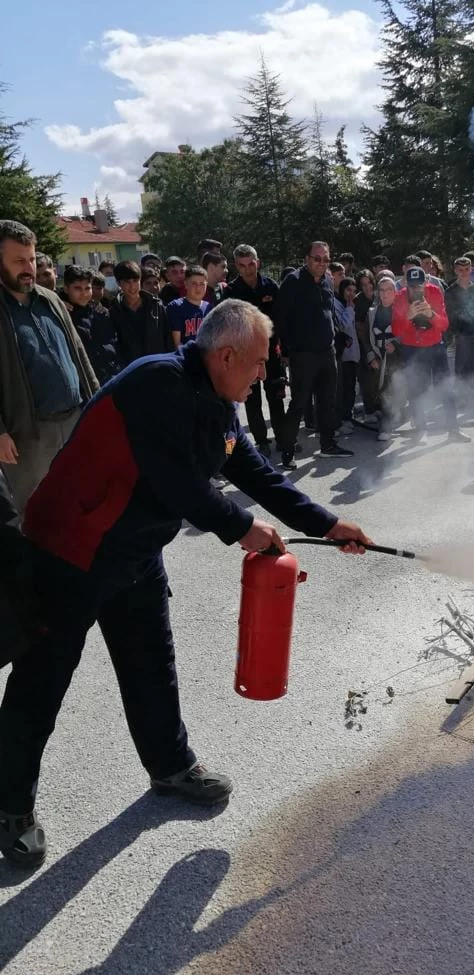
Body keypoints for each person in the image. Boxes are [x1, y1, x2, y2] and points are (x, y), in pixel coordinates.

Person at [0, 298, 371, 869]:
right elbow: (178, 484)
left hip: (135, 547)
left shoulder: (220, 399)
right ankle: (9, 808)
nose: (263, 374)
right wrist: (242, 527)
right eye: (256, 363)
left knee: (151, 660)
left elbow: (251, 470)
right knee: (42, 682)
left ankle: (170, 767)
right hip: (73, 547)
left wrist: (326, 523)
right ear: (224, 355)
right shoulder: (159, 385)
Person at [0, 220, 99, 518]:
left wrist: (97, 403)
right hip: (28, 437)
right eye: (19, 261)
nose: (28, 267)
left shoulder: (52, 300)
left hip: (75, 421)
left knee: (82, 502)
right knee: (38, 515)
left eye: (31, 258)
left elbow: (79, 357)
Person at [276, 241, 353, 469]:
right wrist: (286, 351)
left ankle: (328, 445)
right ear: (307, 259)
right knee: (299, 403)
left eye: (325, 259)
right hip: (303, 354)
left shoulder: (327, 282)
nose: (321, 263)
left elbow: (329, 314)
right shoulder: (293, 282)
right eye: (317, 258)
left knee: (328, 401)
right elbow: (280, 318)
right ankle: (287, 451)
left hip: (327, 352)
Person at [391, 266, 469, 444]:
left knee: (447, 388)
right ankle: (420, 430)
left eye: (419, 286)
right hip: (412, 348)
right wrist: (407, 317)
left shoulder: (434, 292)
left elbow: (444, 325)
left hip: (435, 346)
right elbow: (396, 330)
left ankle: (453, 430)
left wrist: (430, 314)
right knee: (416, 390)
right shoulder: (400, 297)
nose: (416, 290)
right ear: (406, 284)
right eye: (412, 286)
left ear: (425, 283)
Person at [226, 244, 286, 457]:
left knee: (276, 397)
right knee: (252, 400)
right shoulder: (231, 292)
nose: (248, 269)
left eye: (251, 264)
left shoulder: (270, 286)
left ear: (257, 262)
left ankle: (282, 439)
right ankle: (261, 441)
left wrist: (284, 349)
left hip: (271, 353)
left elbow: (281, 319)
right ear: (237, 266)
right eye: (242, 266)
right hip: (246, 356)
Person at [61, 265, 121, 385]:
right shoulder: (62, 316)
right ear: (67, 289)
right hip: (83, 383)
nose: (83, 293)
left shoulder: (101, 313)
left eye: (87, 288)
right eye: (77, 288)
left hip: (111, 377)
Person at [445, 256, 474, 404]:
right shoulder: (450, 291)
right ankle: (465, 398)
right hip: (461, 335)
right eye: (460, 270)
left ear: (471, 269)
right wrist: (450, 335)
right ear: (455, 271)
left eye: (467, 269)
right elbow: (449, 314)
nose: (464, 272)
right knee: (463, 367)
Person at [110, 260, 172, 367]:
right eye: (127, 282)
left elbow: (168, 339)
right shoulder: (114, 311)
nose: (132, 286)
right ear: (119, 283)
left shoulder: (156, 306)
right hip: (131, 370)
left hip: (158, 366)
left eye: (135, 280)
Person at [362, 273, 401, 441]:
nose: (385, 293)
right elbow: (365, 337)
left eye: (389, 290)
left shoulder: (402, 311)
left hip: (397, 359)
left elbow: (408, 333)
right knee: (378, 390)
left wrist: (397, 345)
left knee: (392, 391)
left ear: (395, 292)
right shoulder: (371, 313)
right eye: (382, 290)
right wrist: (371, 357)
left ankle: (387, 425)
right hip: (378, 357)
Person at [334, 277, 360, 435]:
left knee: (350, 388)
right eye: (348, 290)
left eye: (353, 291)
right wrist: (349, 309)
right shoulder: (338, 305)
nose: (351, 294)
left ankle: (347, 417)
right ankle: (340, 419)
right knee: (341, 389)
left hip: (353, 354)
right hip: (342, 353)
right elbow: (341, 326)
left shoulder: (353, 305)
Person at [354, 270, 378, 422]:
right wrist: (367, 346)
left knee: (380, 376)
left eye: (369, 283)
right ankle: (369, 410)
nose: (367, 287)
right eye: (363, 284)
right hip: (364, 342)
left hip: (379, 340)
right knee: (366, 378)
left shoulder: (379, 296)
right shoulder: (358, 300)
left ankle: (380, 407)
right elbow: (359, 327)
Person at [166, 266, 210, 347]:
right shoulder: (176, 307)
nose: (198, 288)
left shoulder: (209, 308)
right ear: (186, 284)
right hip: (185, 357)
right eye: (194, 283)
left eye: (202, 284)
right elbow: (177, 344)